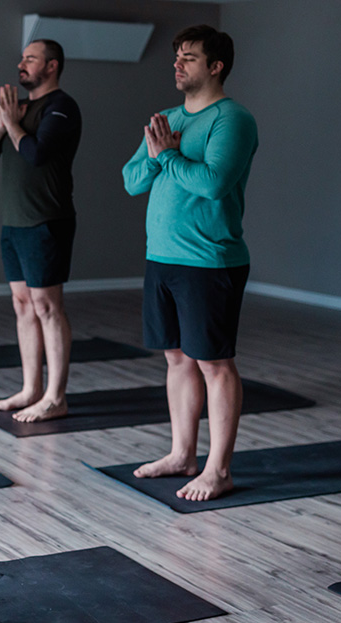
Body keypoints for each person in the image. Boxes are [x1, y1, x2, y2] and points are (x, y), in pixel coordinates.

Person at [121, 25, 257, 502]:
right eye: (176, 57)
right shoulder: (167, 118)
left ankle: (219, 470)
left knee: (214, 363)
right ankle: (182, 454)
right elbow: (132, 180)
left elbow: (216, 182)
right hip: (162, 257)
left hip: (209, 259)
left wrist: (170, 155)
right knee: (176, 358)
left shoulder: (232, 120)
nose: (177, 64)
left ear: (215, 66)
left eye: (189, 58)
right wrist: (161, 157)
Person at [0, 39, 81, 423]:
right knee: (23, 306)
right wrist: (4, 124)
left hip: (46, 221)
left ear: (51, 66)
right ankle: (31, 388)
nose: (22, 65)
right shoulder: (18, 109)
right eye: (21, 58)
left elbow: (36, 154)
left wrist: (13, 123)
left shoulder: (61, 107)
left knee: (47, 307)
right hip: (13, 222)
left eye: (30, 59)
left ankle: (56, 396)